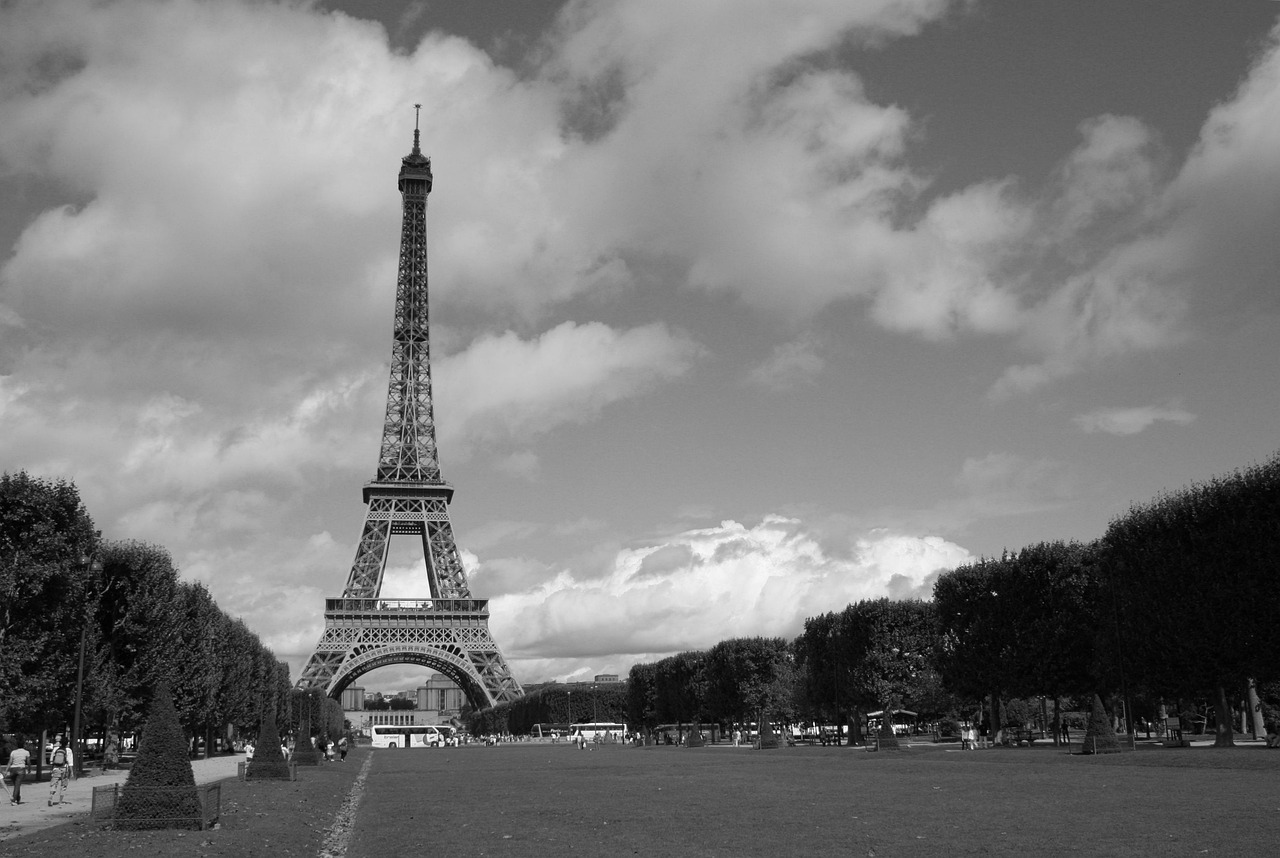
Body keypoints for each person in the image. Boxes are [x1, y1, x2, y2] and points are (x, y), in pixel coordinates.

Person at [48, 737, 72, 806]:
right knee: (63, 786)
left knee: (54, 784)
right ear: (67, 743)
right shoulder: (68, 750)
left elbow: (51, 761)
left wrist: (51, 769)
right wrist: (71, 772)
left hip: (56, 769)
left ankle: (51, 797)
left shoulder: (55, 749)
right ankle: (60, 801)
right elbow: (70, 763)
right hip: (64, 769)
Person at [7, 740, 31, 805]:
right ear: (24, 745)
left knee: (16, 785)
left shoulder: (13, 752)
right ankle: (14, 800)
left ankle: (18, 798)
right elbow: (28, 762)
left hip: (13, 769)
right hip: (21, 768)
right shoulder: (26, 752)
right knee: (17, 785)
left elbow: (10, 762)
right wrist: (29, 768)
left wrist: (6, 770)